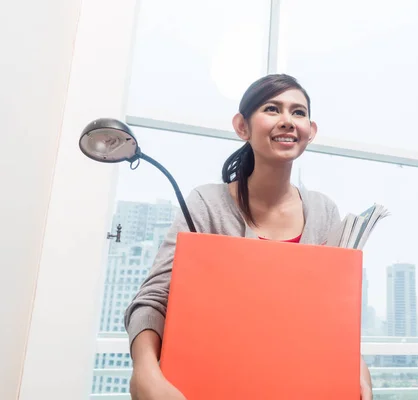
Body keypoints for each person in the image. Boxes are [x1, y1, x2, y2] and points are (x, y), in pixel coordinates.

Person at [124, 73, 373, 399]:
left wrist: (359, 376)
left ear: (310, 131)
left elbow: (334, 320)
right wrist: (145, 372)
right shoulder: (206, 204)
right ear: (242, 126)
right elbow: (153, 300)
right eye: (272, 109)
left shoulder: (325, 211)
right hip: (214, 384)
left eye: (298, 112)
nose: (287, 120)